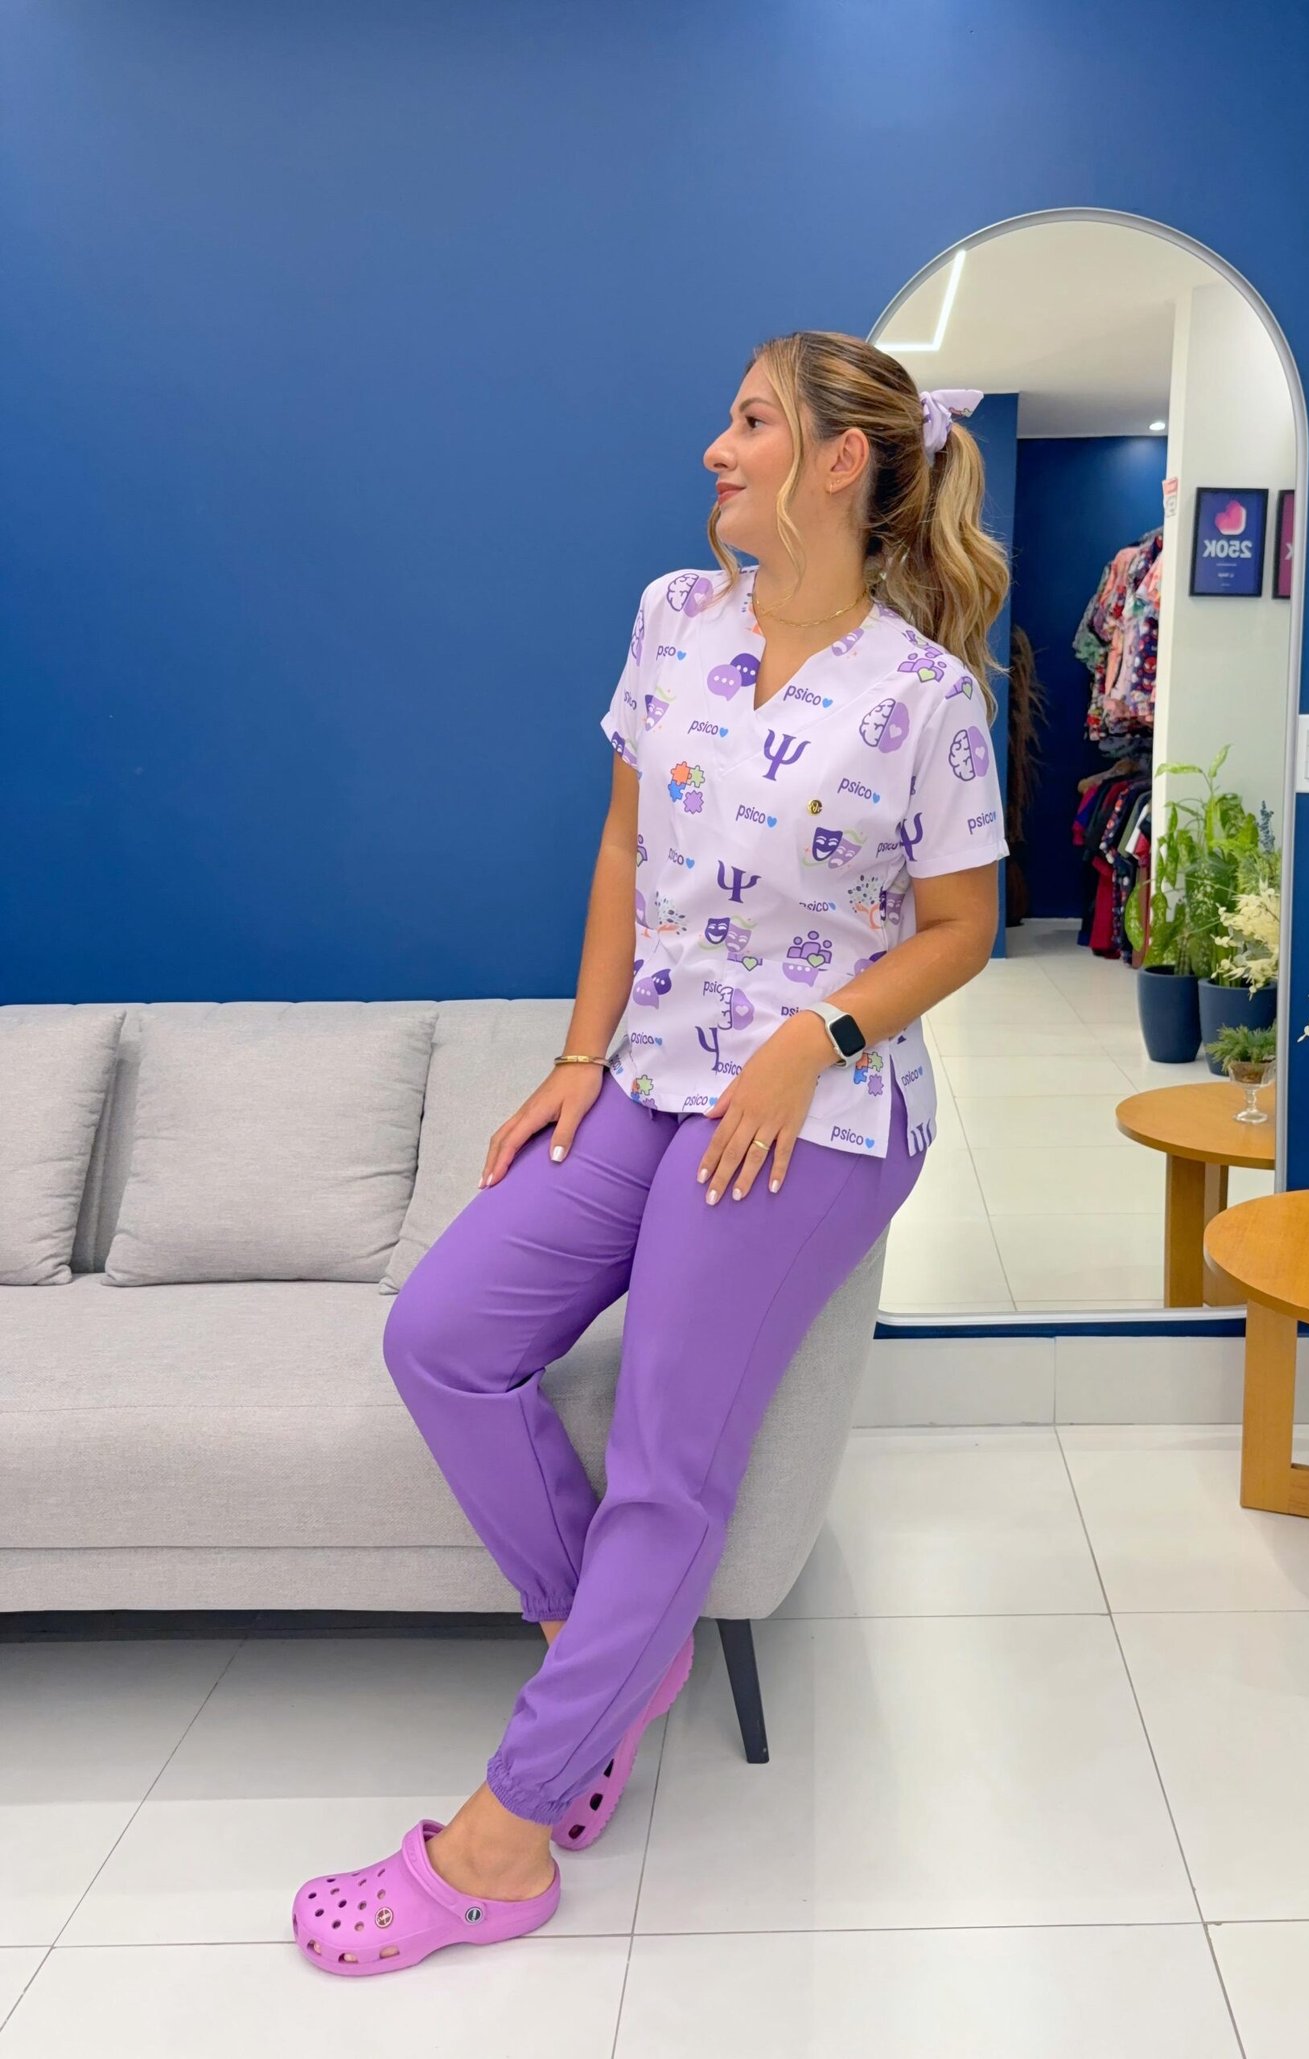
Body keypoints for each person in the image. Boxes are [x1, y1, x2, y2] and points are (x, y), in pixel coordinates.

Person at [293, 330, 1012, 1976]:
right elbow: (624, 845)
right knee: (442, 1336)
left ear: (839, 460)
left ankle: (501, 1844)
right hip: (650, 1075)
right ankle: (608, 1650)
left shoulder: (924, 698)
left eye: (751, 420)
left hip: (818, 1109)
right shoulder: (675, 617)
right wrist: (575, 1056)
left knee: (668, 1463)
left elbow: (963, 927)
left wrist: (814, 1039)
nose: (716, 447)